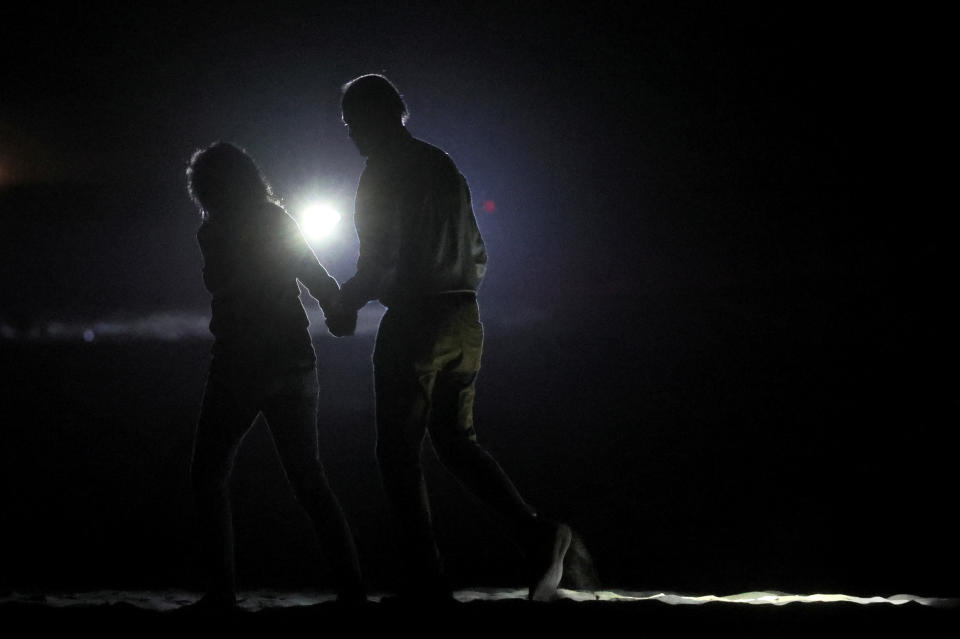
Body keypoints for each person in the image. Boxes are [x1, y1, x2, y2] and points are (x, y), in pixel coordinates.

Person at [325, 74, 572, 602]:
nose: (350, 136)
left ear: (370, 120)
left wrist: (344, 304)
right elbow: (478, 249)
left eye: (351, 125)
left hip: (416, 320)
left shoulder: (380, 173)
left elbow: (377, 263)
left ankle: (426, 578)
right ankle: (535, 533)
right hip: (466, 317)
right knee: (457, 442)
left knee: (397, 454)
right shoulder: (442, 164)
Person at [186, 142, 364, 609]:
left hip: (240, 363)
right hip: (292, 358)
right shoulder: (276, 221)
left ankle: (222, 592)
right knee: (309, 479)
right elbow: (316, 276)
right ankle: (351, 590)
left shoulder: (213, 232)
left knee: (208, 475)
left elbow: (222, 284)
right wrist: (339, 313)